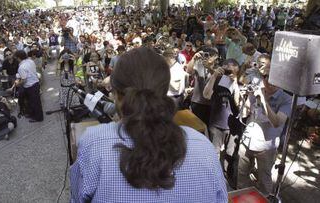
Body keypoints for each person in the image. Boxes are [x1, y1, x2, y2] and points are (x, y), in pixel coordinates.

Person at [70, 47, 227, 202]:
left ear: (116, 95)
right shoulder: (202, 146)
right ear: (164, 90)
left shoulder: (93, 143)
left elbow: (78, 198)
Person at [237, 55, 292, 196]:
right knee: (242, 176)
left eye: (276, 80)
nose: (271, 82)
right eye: (267, 77)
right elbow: (247, 108)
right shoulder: (257, 87)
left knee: (264, 181)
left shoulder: (286, 99)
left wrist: (263, 100)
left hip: (266, 147)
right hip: (247, 140)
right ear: (263, 77)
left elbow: (277, 122)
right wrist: (245, 97)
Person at [203, 59, 240, 155]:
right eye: (227, 71)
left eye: (233, 72)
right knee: (214, 153)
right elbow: (206, 95)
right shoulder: (216, 79)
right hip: (217, 124)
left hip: (231, 125)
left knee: (229, 154)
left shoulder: (238, 82)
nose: (229, 74)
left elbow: (237, 104)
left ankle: (226, 170)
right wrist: (214, 76)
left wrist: (235, 83)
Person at [13, 50, 43, 122]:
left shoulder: (21, 67)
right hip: (35, 83)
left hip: (30, 86)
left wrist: (17, 84)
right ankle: (32, 114)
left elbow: (24, 80)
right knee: (33, 102)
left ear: (18, 58)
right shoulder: (30, 61)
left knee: (35, 103)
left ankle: (38, 118)